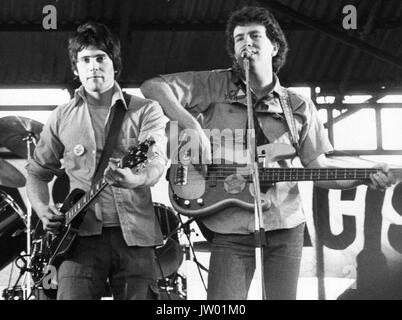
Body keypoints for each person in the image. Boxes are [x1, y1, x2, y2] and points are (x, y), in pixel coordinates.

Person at [140, 6, 396, 300]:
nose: (245, 43)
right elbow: (153, 86)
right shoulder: (212, 84)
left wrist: (363, 177)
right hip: (230, 227)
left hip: (285, 227)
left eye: (253, 36)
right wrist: (191, 125)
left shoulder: (297, 106)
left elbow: (320, 168)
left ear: (274, 46)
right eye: (238, 39)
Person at [26, 22, 167, 300]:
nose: (93, 66)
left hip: (135, 236)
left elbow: (156, 163)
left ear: (114, 62)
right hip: (78, 240)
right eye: (85, 60)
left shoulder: (145, 110)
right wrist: (43, 209)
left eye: (100, 57)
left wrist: (134, 179)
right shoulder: (61, 116)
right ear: (75, 68)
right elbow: (36, 173)